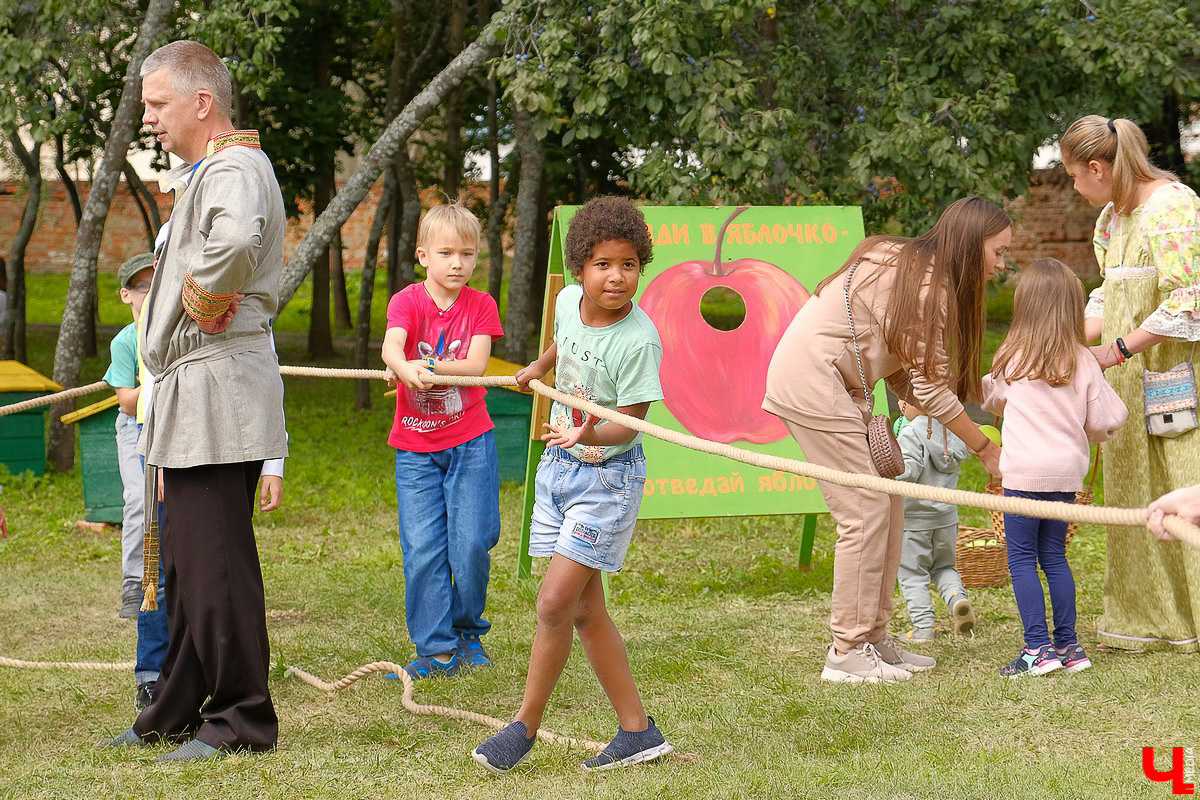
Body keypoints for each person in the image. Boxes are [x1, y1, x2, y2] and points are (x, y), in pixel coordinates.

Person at [98, 40, 288, 762]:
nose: (148, 117)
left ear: (201, 103)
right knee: (185, 564)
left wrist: (198, 305)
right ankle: (177, 710)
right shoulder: (212, 170)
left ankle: (240, 720)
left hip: (216, 384)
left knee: (216, 565)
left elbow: (235, 240)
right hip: (196, 390)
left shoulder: (234, 165)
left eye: (157, 103)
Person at [763, 197, 1009, 683]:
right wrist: (985, 448)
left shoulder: (912, 263)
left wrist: (913, 399)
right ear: (969, 244)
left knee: (888, 502)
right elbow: (931, 387)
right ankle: (847, 650)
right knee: (864, 511)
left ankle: (875, 637)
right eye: (997, 252)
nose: (1001, 266)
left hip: (830, 382)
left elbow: (901, 360)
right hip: (814, 383)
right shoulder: (926, 285)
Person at [472, 196, 672, 773]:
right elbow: (567, 338)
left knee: (556, 602)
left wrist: (588, 427)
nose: (617, 276)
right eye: (604, 264)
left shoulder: (638, 340)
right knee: (585, 610)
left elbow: (629, 425)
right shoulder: (565, 300)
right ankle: (638, 731)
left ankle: (524, 727)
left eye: (630, 264)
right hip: (562, 471)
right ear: (580, 267)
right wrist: (539, 367)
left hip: (606, 479)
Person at [1061, 115, 1200, 652]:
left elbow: (1189, 302)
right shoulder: (1112, 219)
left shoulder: (1172, 207)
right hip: (1127, 383)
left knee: (1182, 485)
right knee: (1135, 492)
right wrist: (1061, 341)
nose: (1073, 187)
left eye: (1075, 176)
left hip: (1172, 377)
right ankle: (1149, 616)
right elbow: (1109, 297)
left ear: (1098, 167)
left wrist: (1116, 351)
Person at [981, 258, 1128, 677]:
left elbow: (989, 398)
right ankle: (1070, 647)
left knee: (1022, 559)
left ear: (1024, 307)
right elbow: (1106, 420)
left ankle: (1037, 650)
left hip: (1024, 475)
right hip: (1066, 475)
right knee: (1055, 557)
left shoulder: (1012, 359)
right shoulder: (1082, 360)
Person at [380, 202, 503, 679]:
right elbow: (393, 344)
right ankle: (436, 649)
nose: (458, 264)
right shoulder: (407, 301)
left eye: (467, 254)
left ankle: (468, 631)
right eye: (447, 253)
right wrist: (400, 365)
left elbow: (475, 368)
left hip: (471, 442)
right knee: (423, 548)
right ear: (423, 256)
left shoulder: (481, 305)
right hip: (414, 449)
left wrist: (424, 368)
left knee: (471, 542)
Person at [892, 404, 974, 641]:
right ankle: (958, 598)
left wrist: (885, 465)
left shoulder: (912, 432)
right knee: (945, 567)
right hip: (946, 517)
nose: (900, 405)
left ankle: (923, 629)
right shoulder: (951, 431)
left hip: (914, 520)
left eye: (903, 401)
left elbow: (907, 472)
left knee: (912, 574)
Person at [103, 253, 155, 620]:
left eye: (156, 284)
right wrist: (157, 384)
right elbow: (125, 402)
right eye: (143, 286)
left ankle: (167, 583)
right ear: (126, 295)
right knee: (138, 501)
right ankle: (133, 584)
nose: (151, 292)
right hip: (134, 427)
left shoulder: (172, 333)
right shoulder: (124, 342)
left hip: (170, 425)